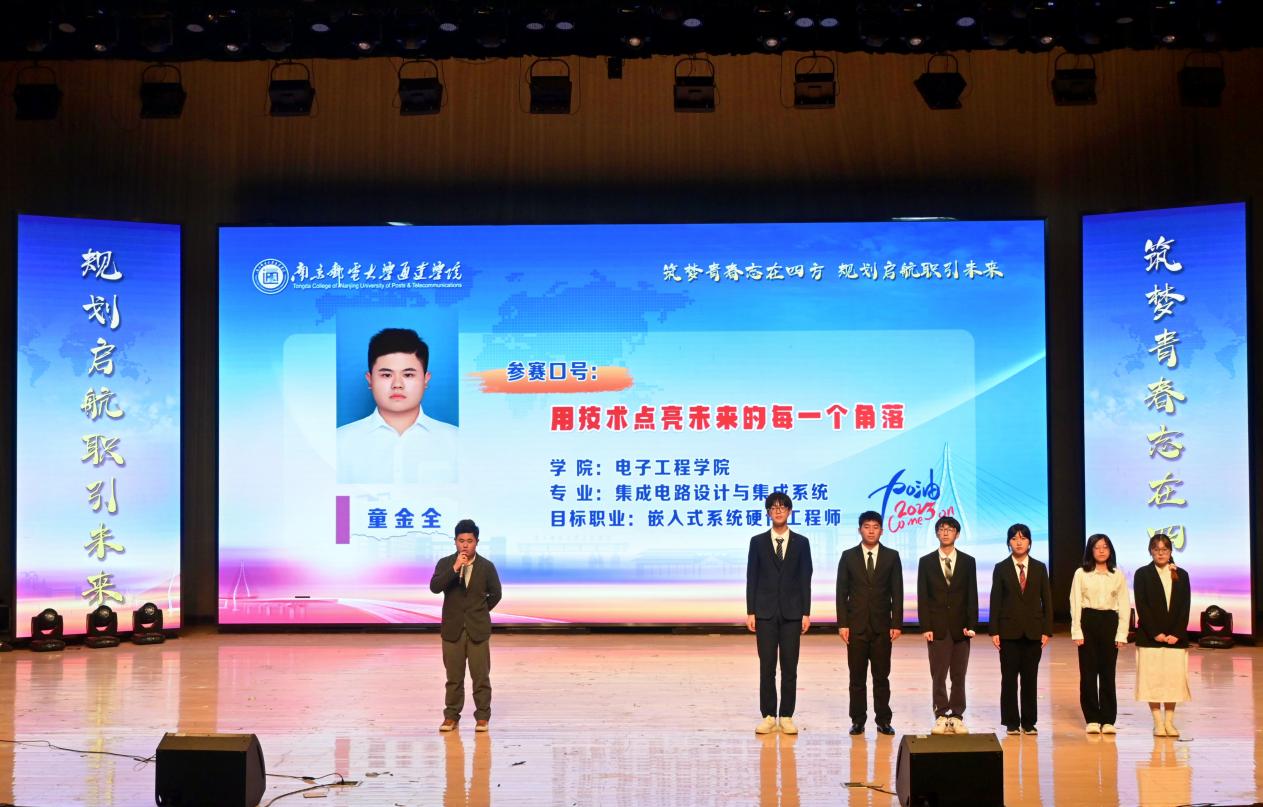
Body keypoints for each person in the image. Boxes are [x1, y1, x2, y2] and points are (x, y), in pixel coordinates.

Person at [338, 327, 458, 485]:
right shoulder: (339, 442)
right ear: (370, 380)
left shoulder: (457, 441)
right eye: (386, 375)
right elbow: (335, 500)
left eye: (408, 375)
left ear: (425, 379)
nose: (397, 384)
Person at [746, 492, 813, 735]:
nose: (778, 511)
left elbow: (805, 578)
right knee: (767, 667)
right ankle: (767, 716)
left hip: (792, 614)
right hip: (764, 613)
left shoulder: (801, 542)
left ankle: (786, 716)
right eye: (773, 508)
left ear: (789, 512)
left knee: (789, 667)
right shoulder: (757, 542)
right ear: (768, 512)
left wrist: (806, 612)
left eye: (782, 507)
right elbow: (752, 577)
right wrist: (751, 611)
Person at [430, 518, 502, 732]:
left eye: (469, 541)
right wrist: (455, 568)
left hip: (477, 629)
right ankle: (451, 716)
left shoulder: (486, 566)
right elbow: (435, 587)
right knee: (453, 677)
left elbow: (496, 594)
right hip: (452, 629)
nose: (465, 545)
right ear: (455, 541)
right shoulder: (445, 563)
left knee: (481, 677)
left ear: (476, 542)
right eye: (461, 541)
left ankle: (482, 717)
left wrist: (480, 612)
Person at [836, 510, 903, 736]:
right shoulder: (848, 556)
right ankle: (858, 720)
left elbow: (897, 592)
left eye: (875, 527)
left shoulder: (892, 556)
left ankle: (883, 720)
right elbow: (841, 592)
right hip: (856, 627)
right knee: (856, 678)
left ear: (882, 531)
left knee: (881, 677)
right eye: (867, 527)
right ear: (860, 530)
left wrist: (897, 623)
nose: (871, 531)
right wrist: (843, 624)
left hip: (882, 627)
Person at [988, 523, 1052, 735]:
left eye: (1023, 538)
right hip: (1008, 632)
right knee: (1008, 679)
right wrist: (994, 630)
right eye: (1014, 538)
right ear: (1009, 543)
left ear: (1029, 543)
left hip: (1033, 632)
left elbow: (1047, 600)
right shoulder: (1001, 567)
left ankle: (1029, 722)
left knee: (1030, 679)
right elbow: (995, 600)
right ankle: (1011, 722)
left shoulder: (1040, 567)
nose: (1018, 542)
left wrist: (1046, 630)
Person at [917, 515, 978, 734]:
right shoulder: (926, 561)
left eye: (950, 529)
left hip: (961, 628)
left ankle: (957, 715)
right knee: (939, 675)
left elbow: (972, 594)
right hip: (937, 628)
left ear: (957, 534)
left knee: (959, 675)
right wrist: (926, 626)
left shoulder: (968, 561)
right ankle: (941, 714)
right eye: (942, 529)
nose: (945, 533)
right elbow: (923, 596)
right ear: (936, 533)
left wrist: (972, 624)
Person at [1069, 533, 1129, 735]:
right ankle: (1092, 718)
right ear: (1090, 551)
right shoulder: (1081, 573)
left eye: (1105, 547)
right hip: (1089, 620)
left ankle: (1108, 719)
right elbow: (1075, 602)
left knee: (1108, 673)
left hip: (1109, 621)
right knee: (1088, 673)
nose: (1102, 551)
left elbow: (1124, 604)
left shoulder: (1117, 574)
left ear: (1110, 550)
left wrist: (1122, 633)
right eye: (1097, 547)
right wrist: (1076, 630)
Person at [1134, 533, 1191, 737]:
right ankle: (1158, 722)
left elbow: (1185, 607)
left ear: (1170, 551)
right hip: (1150, 638)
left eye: (1164, 550)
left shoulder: (1181, 574)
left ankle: (1169, 722)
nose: (1160, 553)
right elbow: (1142, 605)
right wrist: (1155, 633)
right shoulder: (1142, 574)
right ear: (1151, 551)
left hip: (1175, 639)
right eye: (1156, 550)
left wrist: (1177, 633)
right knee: (1153, 681)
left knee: (1173, 682)